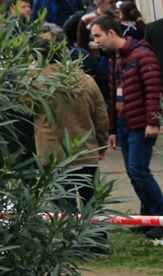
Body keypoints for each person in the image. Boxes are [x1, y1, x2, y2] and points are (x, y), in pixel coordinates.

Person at [89, 15, 163, 239]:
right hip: (123, 123)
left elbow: (154, 88)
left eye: (97, 35)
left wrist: (153, 121)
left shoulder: (141, 54)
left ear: (111, 33)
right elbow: (113, 95)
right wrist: (113, 130)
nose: (95, 41)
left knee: (139, 170)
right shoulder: (112, 60)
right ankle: (148, 218)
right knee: (133, 172)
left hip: (140, 124)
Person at [31, 35, 108, 215]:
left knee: (63, 202)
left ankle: (70, 241)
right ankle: (98, 240)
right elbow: (101, 115)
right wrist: (101, 144)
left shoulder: (37, 84)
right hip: (86, 149)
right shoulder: (86, 79)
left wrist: (30, 74)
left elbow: (23, 106)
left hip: (54, 153)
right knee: (92, 199)